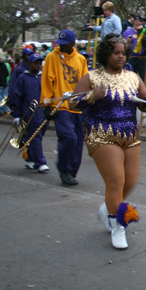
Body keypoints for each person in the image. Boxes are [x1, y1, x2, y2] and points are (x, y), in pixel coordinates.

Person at [70, 34, 146, 249]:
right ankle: (118, 225)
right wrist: (93, 96)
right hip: (101, 133)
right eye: (115, 52)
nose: (120, 56)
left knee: (130, 182)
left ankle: (108, 208)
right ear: (106, 54)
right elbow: (73, 103)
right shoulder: (92, 77)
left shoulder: (133, 77)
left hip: (130, 134)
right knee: (116, 181)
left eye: (123, 53)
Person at [41, 30, 89, 186]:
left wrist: (86, 101)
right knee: (68, 137)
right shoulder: (51, 57)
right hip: (60, 106)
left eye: (64, 44)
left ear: (72, 44)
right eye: (59, 44)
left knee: (78, 141)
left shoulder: (81, 59)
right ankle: (64, 169)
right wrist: (46, 104)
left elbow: (85, 82)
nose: (60, 46)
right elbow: (47, 81)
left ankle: (71, 171)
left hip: (76, 106)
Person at [11, 53, 48, 172]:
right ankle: (40, 163)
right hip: (29, 112)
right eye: (35, 63)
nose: (38, 65)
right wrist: (16, 114)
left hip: (42, 112)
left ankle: (30, 158)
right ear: (30, 64)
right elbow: (17, 96)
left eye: (39, 63)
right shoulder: (23, 77)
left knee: (37, 136)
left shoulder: (43, 77)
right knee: (35, 135)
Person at [7, 47, 33, 114]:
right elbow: (13, 87)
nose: (30, 57)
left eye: (31, 54)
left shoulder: (35, 68)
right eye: (28, 55)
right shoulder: (19, 70)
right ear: (24, 56)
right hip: (23, 101)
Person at [0, 48, 10, 116]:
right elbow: (7, 73)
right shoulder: (4, 65)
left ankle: (0, 111)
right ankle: (6, 110)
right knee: (4, 97)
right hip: (4, 82)